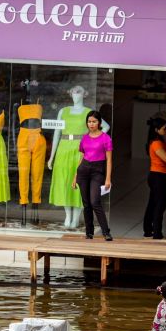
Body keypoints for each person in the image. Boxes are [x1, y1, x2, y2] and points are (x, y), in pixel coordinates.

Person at [47, 85, 109, 228]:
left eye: (79, 92)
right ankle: (68, 216)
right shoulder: (63, 111)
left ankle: (76, 218)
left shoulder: (89, 113)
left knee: (81, 182)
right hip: (63, 148)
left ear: (84, 94)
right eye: (73, 92)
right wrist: (52, 156)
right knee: (65, 181)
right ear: (70, 94)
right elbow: (57, 132)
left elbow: (105, 127)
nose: (76, 95)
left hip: (81, 149)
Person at [72, 110, 113, 241]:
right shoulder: (84, 138)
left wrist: (108, 179)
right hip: (83, 170)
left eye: (94, 121)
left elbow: (109, 160)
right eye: (89, 121)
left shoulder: (106, 138)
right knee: (86, 203)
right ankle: (89, 232)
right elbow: (82, 157)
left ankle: (106, 232)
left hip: (97, 171)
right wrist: (75, 176)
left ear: (99, 123)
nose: (91, 124)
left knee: (95, 201)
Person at [142, 117, 166, 239]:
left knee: (153, 204)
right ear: (156, 129)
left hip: (156, 176)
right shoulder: (157, 143)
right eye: (164, 128)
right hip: (159, 176)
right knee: (160, 205)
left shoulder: (157, 141)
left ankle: (148, 230)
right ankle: (157, 232)